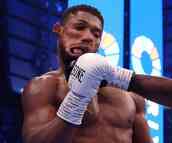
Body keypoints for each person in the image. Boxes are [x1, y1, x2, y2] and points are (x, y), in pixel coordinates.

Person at [21, 5, 152, 143]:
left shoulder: (131, 94)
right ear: (58, 30)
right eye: (79, 28)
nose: (88, 37)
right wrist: (76, 102)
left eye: (96, 34)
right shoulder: (44, 86)